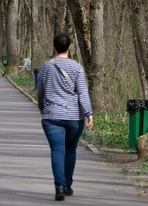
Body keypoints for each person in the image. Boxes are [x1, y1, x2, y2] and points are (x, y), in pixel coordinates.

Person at [36, 32, 94, 201]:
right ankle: (67, 185)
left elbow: (40, 89)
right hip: (74, 117)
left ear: (54, 47)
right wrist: (88, 113)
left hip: (52, 116)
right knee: (70, 150)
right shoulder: (77, 67)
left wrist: (41, 106)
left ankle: (59, 186)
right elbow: (82, 92)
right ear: (70, 47)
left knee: (57, 150)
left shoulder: (46, 67)